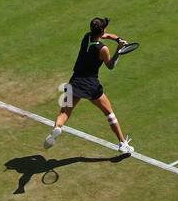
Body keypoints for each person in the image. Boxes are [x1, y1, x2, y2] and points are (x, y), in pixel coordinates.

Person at [43, 16, 135, 155]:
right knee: (109, 113)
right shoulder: (103, 49)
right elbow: (110, 66)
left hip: (74, 81)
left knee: (64, 112)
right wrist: (119, 50)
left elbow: (107, 35)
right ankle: (123, 143)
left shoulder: (86, 37)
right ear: (102, 30)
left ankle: (57, 128)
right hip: (91, 85)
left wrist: (118, 39)